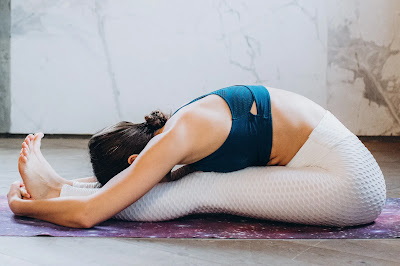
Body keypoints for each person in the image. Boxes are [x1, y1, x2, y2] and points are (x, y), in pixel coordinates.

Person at [7, 85, 386, 228]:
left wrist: (25, 209)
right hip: (340, 169)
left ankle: (54, 192)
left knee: (201, 186)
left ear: (135, 162)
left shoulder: (173, 141)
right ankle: (59, 187)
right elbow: (148, 177)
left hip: (351, 190)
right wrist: (70, 183)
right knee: (190, 180)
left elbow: (91, 214)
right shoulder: (182, 120)